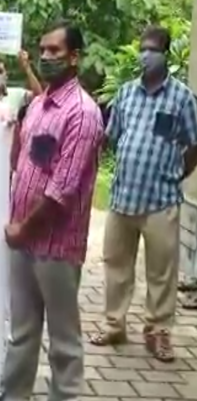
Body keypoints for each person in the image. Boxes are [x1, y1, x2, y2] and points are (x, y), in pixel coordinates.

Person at [0, 21, 103, 401]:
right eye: (42, 50)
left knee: (63, 341)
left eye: (55, 51)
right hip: (24, 244)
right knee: (22, 333)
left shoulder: (83, 113)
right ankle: (13, 395)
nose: (46, 57)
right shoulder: (39, 105)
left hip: (55, 247)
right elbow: (22, 164)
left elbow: (61, 189)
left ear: (75, 57)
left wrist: (23, 230)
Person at [89, 25, 197, 362]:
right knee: (116, 265)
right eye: (142, 48)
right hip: (123, 198)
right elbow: (112, 136)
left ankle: (159, 332)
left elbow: (193, 145)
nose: (145, 55)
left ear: (165, 55)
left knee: (162, 272)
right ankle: (114, 324)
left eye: (152, 49)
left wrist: (178, 174)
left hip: (161, 200)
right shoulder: (126, 93)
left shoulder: (182, 98)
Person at [0, 50, 43, 119]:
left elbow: (39, 96)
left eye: (0, 71)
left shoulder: (16, 94)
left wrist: (27, 67)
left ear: (6, 75)